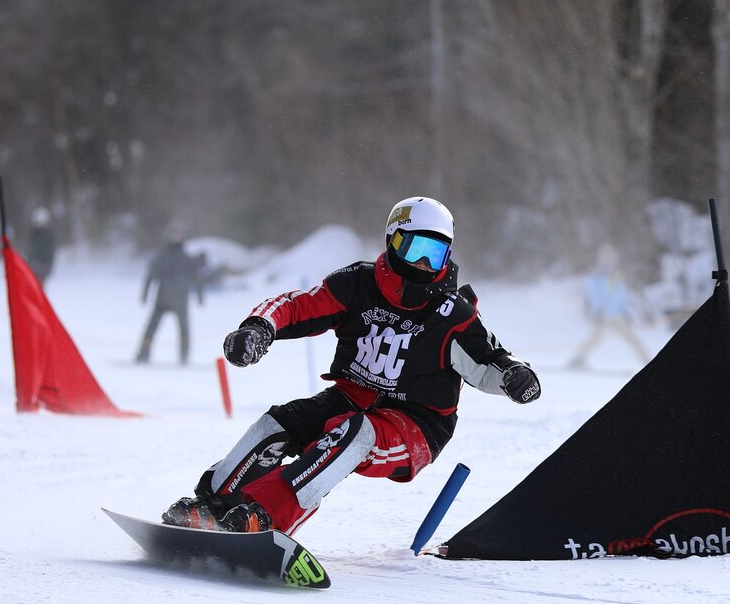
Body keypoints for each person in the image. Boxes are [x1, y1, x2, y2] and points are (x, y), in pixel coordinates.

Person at [162, 196, 542, 535]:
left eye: (436, 253)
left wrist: (514, 376)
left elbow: (489, 360)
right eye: (416, 249)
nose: (425, 264)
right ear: (393, 241)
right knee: (278, 423)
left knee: (355, 433)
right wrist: (260, 327)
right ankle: (214, 504)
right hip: (352, 398)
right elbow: (300, 305)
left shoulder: (451, 314)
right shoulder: (359, 283)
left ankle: (269, 517)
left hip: (415, 426)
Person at [567, 242, 652, 370]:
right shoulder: (595, 277)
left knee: (633, 339)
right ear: (600, 258)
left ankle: (647, 360)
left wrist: (625, 312)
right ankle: (577, 360)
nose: (609, 259)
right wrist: (597, 311)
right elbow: (594, 295)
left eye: (612, 256)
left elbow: (622, 297)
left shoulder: (617, 276)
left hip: (617, 316)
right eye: (606, 256)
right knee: (594, 338)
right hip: (602, 316)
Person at [136, 232, 206, 365]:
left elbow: (150, 277)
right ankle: (183, 356)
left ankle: (146, 354)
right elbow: (196, 279)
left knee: (155, 328)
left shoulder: (167, 257)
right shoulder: (177, 258)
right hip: (174, 300)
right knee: (178, 329)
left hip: (168, 299)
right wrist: (200, 297)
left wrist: (145, 294)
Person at [25, 208, 57, 287]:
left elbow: (50, 253)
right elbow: (29, 250)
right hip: (34, 266)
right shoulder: (33, 235)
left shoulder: (48, 236)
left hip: (42, 267)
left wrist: (48, 266)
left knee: (38, 287)